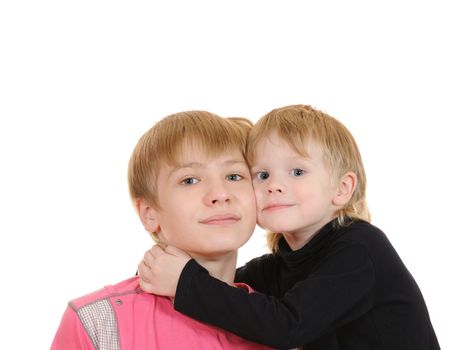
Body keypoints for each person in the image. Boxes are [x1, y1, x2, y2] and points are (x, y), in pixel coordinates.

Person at [138, 105, 440, 350]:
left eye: (297, 171)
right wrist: (162, 273)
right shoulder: (280, 266)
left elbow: (288, 326)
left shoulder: (361, 249)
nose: (275, 186)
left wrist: (185, 282)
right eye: (262, 174)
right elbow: (226, 290)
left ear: (342, 188)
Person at [50, 111, 273, 350]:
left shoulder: (283, 325)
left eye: (234, 176)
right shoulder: (97, 323)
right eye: (190, 180)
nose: (220, 194)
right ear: (149, 213)